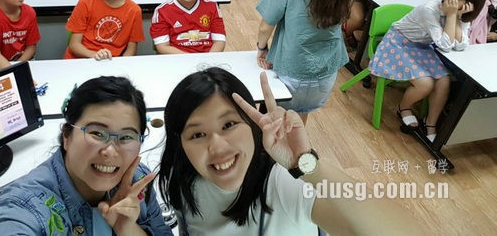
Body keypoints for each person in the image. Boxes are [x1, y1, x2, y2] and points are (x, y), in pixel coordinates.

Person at [158, 68, 425, 235]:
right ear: (180, 143)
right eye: (197, 135)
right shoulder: (182, 181)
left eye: (229, 125)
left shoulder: (284, 185)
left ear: (252, 125)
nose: (217, 146)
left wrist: (308, 166)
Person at [0, 76, 172, 235]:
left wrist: (128, 229)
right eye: (97, 133)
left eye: (126, 137)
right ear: (67, 136)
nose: (110, 151)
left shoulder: (138, 183)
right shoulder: (25, 205)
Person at [369, 0, 485, 141]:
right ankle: (403, 107)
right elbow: (444, 46)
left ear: (469, 6)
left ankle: (430, 123)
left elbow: (460, 45)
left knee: (444, 81)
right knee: (425, 84)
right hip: (398, 42)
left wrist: (457, 18)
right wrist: (452, 15)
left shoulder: (459, 15)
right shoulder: (430, 9)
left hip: (421, 47)